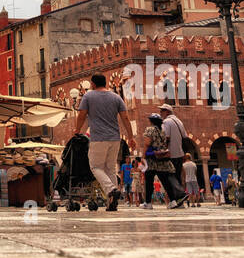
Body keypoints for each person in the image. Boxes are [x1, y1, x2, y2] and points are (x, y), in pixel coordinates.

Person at [71, 73, 130, 212]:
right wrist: (131, 137)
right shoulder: (116, 97)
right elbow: (125, 117)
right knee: (110, 169)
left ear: (93, 84)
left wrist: (77, 130)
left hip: (98, 138)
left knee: (95, 167)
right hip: (115, 138)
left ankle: (111, 190)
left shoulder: (88, 96)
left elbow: (81, 115)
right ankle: (112, 203)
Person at [140, 113, 186, 209]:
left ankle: (148, 203)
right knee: (166, 182)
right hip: (162, 160)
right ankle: (173, 201)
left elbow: (147, 143)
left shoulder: (150, 129)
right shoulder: (162, 131)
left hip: (152, 160)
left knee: (149, 181)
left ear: (151, 121)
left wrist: (143, 156)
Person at [158, 103, 189, 187]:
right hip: (179, 154)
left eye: (162, 110)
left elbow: (166, 138)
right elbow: (185, 137)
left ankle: (177, 196)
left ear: (167, 112)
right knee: (177, 176)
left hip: (171, 154)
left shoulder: (166, 122)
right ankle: (180, 196)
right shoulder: (179, 121)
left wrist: (163, 151)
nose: (160, 112)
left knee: (170, 177)